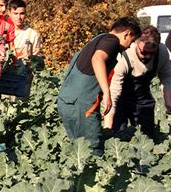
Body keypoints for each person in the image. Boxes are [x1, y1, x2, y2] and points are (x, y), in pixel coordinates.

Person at [58, 16, 141, 155]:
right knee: (93, 149)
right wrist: (106, 92)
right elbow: (97, 59)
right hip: (82, 106)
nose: (129, 46)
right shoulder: (112, 41)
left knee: (78, 150)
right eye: (131, 41)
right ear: (127, 33)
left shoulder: (97, 39)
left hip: (66, 102)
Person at [105, 26, 171, 140]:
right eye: (144, 52)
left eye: (152, 53)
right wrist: (107, 126)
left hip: (143, 98)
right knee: (118, 136)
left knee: (147, 136)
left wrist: (168, 101)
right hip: (121, 99)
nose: (147, 56)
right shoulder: (125, 57)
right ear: (137, 43)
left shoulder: (162, 52)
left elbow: (167, 77)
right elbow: (114, 92)